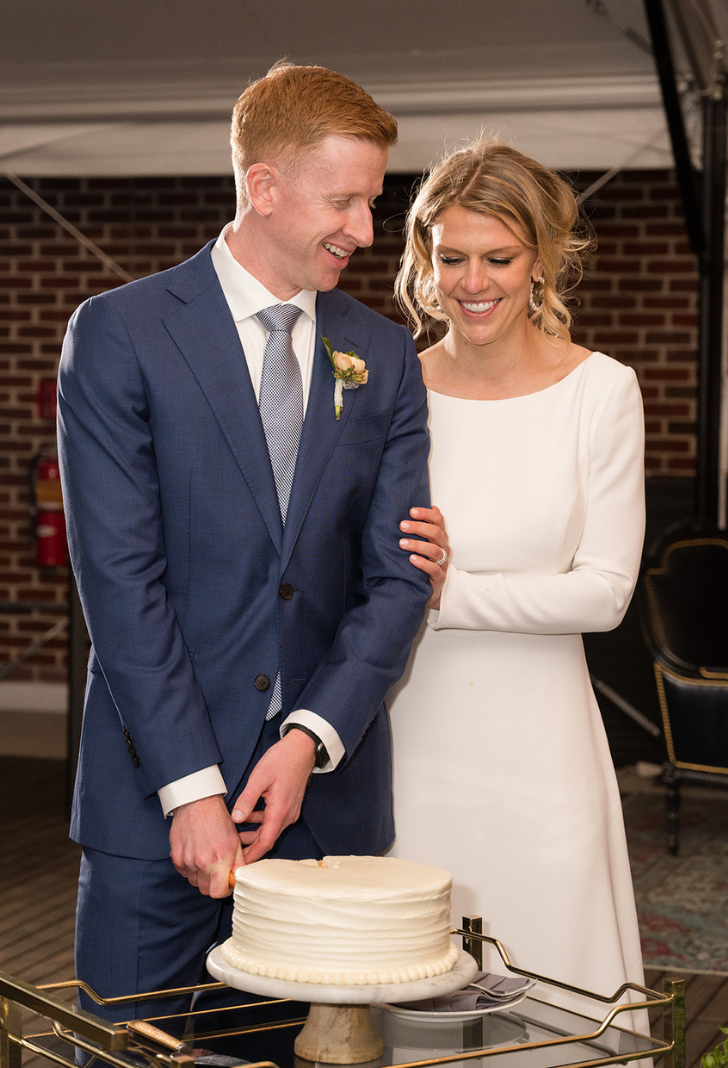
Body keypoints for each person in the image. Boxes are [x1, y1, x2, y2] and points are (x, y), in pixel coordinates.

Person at [59, 63, 431, 1019]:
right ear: (263, 186)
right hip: (153, 804)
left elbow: (397, 581)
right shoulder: (120, 334)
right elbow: (118, 578)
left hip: (319, 822)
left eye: (373, 202)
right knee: (127, 1046)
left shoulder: (381, 355)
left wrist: (310, 738)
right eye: (343, 200)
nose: (364, 229)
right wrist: (189, 787)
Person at [385, 140, 647, 1028]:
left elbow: (604, 593)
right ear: (424, 260)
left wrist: (446, 594)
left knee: (552, 1002)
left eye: (497, 258)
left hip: (543, 750)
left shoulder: (601, 392)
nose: (473, 282)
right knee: (412, 1002)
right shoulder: (392, 391)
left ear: (539, 259)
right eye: (450, 257)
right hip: (412, 736)